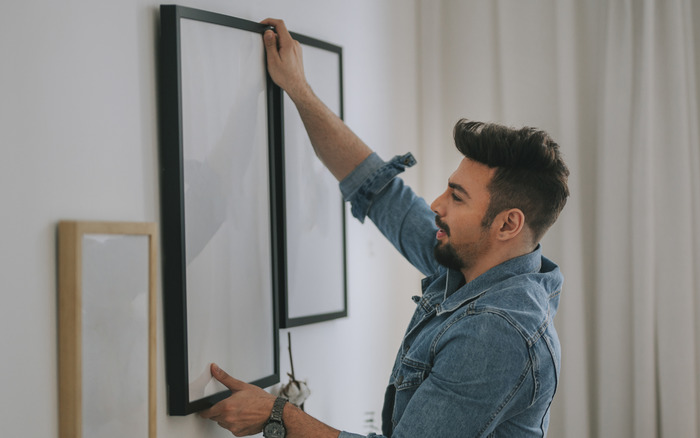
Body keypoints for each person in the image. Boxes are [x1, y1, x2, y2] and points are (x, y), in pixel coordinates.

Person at [199, 18, 570, 438]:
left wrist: (277, 413)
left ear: (507, 224)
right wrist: (297, 88)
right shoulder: (471, 265)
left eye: (458, 196)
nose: (436, 205)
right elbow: (377, 190)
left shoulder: (496, 332)